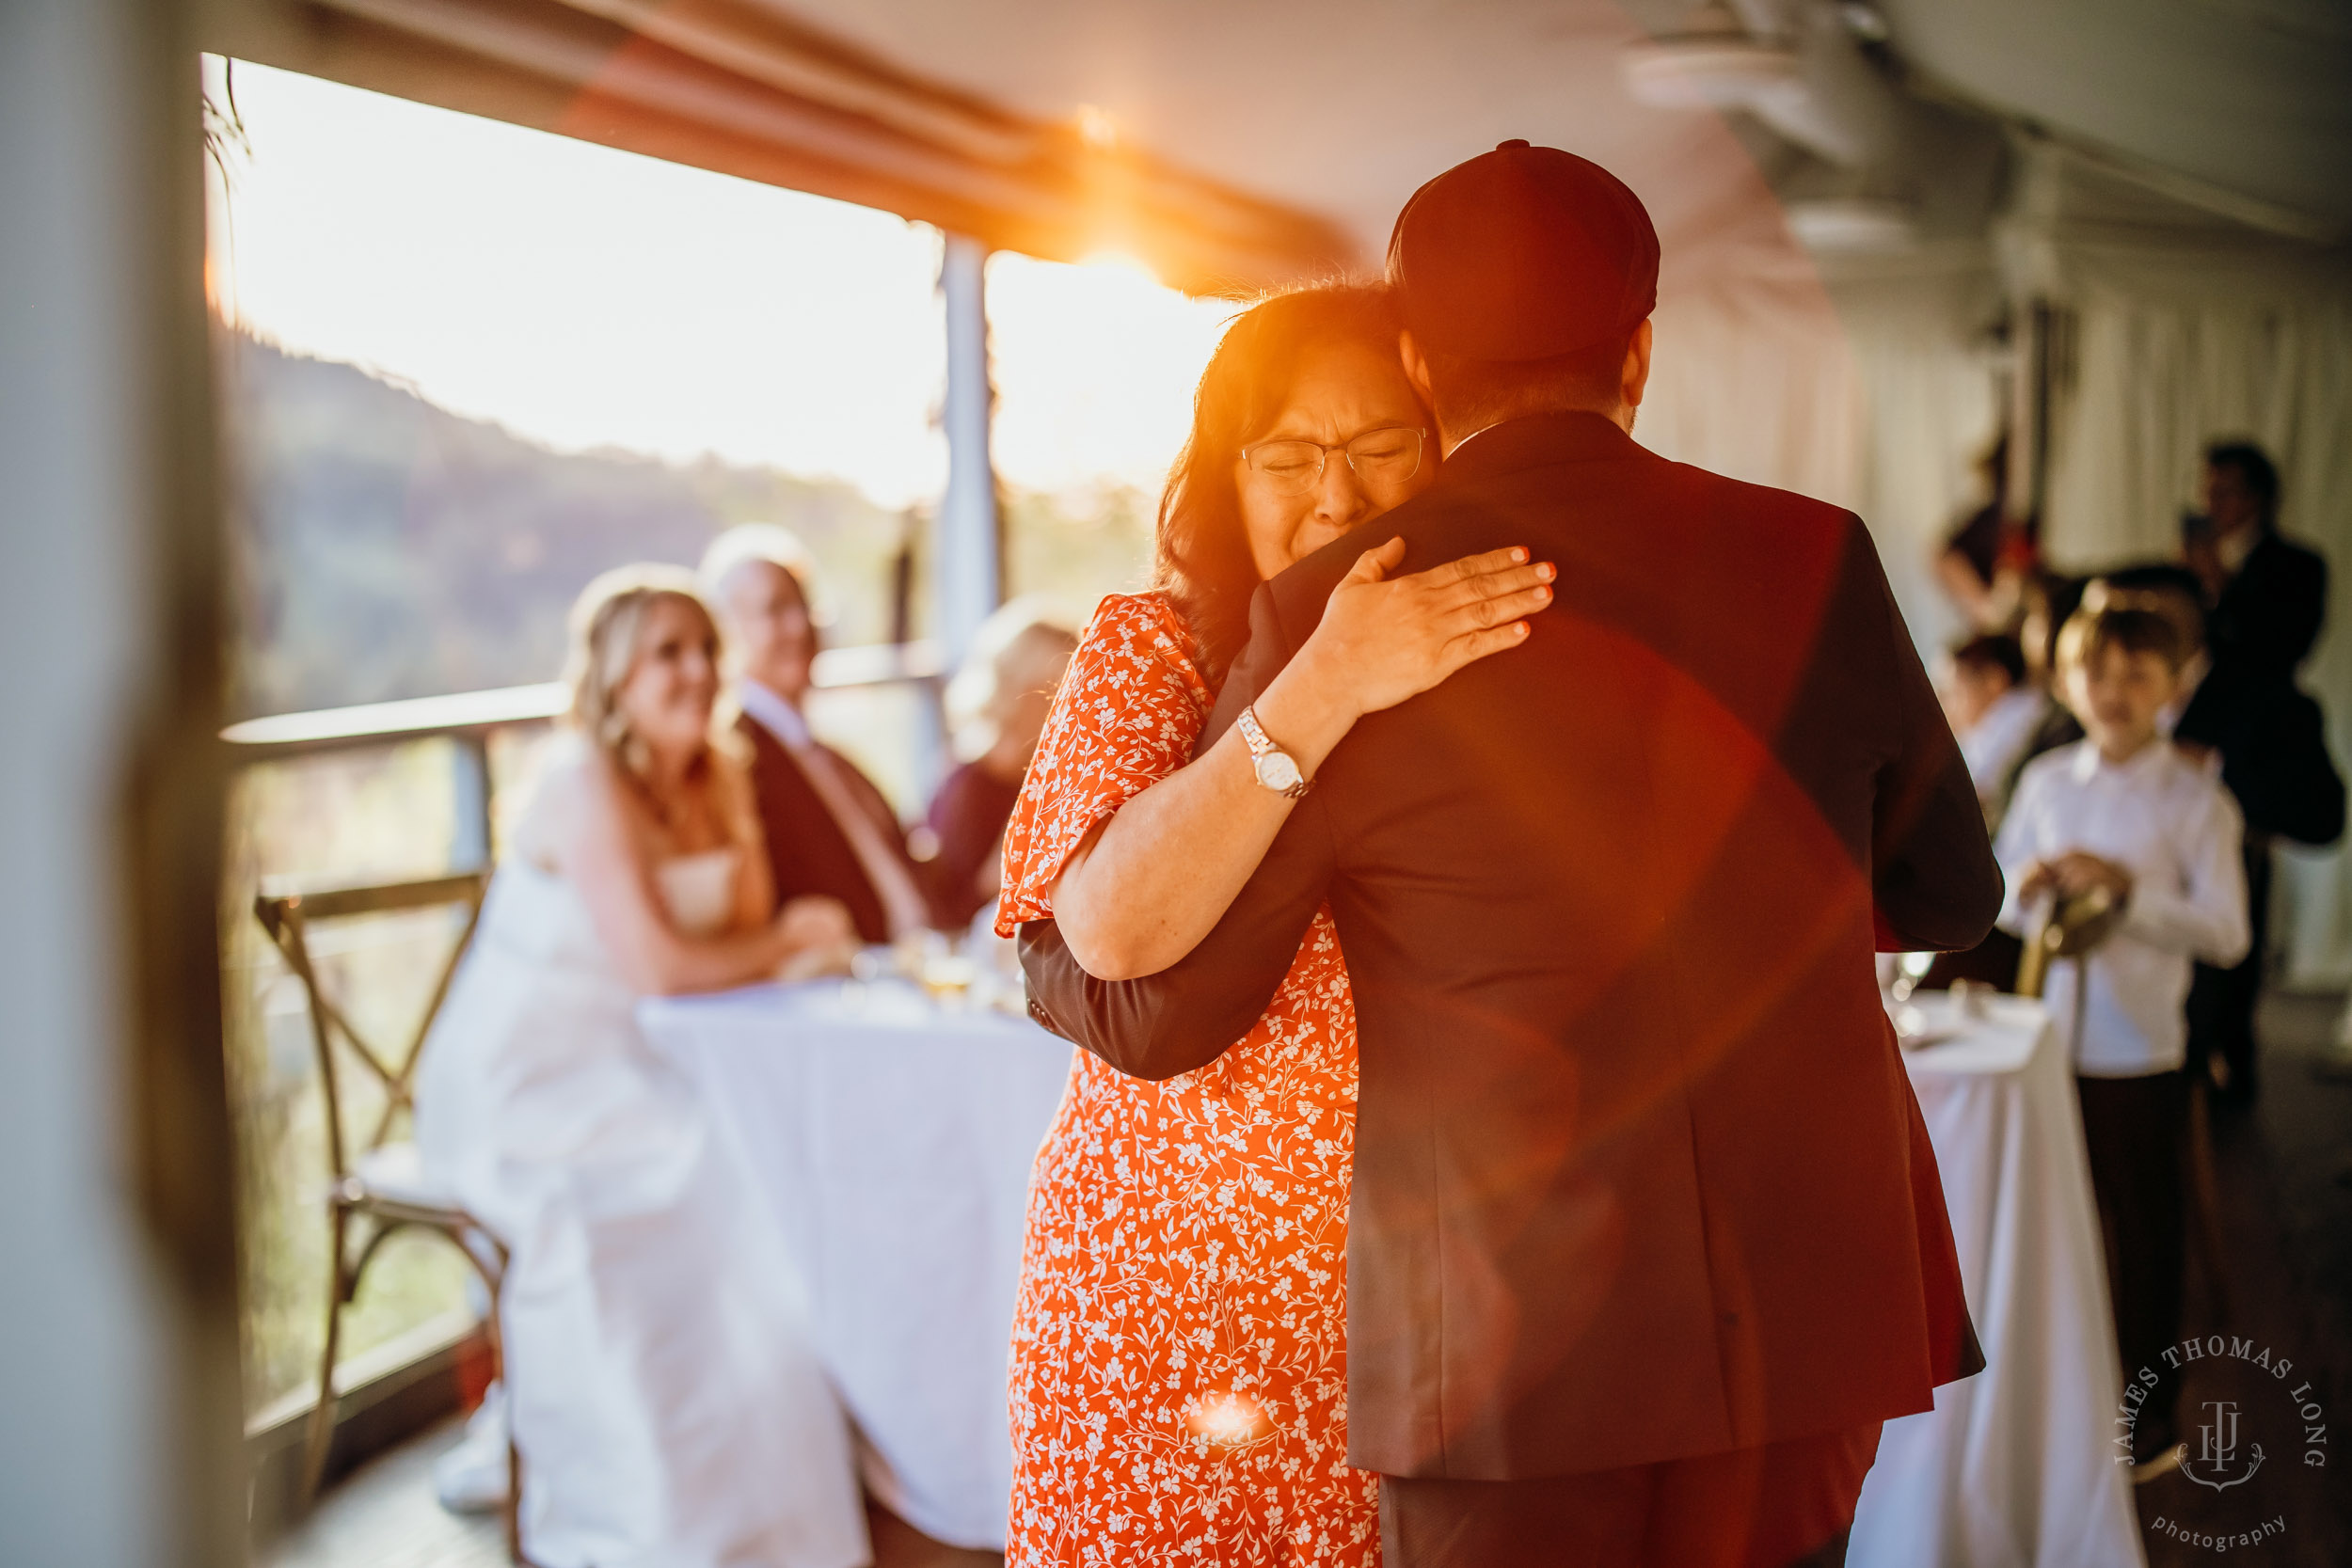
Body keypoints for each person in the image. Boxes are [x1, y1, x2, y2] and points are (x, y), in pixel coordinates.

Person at [1019, 143, 1994, 1568]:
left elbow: (1174, 992)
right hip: (1807, 1285)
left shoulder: (1353, 611)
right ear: (1642, 348)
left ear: (1419, 364)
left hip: (1512, 1323)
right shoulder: (1817, 549)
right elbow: (1949, 893)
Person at [994, 282, 1553, 1567]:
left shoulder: (1493, 654)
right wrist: (1330, 676)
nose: (1336, 499)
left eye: (1378, 449)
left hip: (1395, 1280)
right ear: (1224, 473)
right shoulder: (1151, 650)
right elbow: (1113, 925)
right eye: (1289, 457)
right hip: (1157, 1269)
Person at [413, 566, 867, 1568]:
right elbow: (665, 968)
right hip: (531, 1081)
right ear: (614, 675)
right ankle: (659, 1514)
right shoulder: (580, 780)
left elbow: (739, 930)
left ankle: (784, 1509)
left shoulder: (718, 769)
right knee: (706, 1170)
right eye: (668, 651)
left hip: (643, 1061)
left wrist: (735, 812)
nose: (698, 669)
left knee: (758, 1152)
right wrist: (794, 937)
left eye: (707, 647)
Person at [1992, 603, 2249, 1465]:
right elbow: (1995, 893)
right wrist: (2023, 884)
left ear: (2173, 686)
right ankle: (2056, 1402)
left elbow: (2228, 933)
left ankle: (2152, 1416)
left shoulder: (2198, 799)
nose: (2114, 691)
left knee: (2143, 1237)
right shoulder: (2048, 782)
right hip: (2042, 1043)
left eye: (2138, 674)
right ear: (2067, 682)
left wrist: (2127, 890)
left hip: (2137, 1049)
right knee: (2050, 1228)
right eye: (2096, 673)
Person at [2174, 442, 2343, 1104]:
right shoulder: (2189, 565)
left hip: (2258, 747)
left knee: (2241, 891)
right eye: (2209, 489)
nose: (2215, 503)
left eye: (2229, 490)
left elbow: (2281, 650)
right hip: (2197, 739)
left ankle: (2233, 1047)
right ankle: (2198, 1037)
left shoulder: (2297, 564)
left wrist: (2221, 588)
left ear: (2261, 497)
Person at [701, 525, 943, 943]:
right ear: (726, 631)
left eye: (804, 606)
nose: (799, 626)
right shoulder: (731, 757)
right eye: (774, 610)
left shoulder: (833, 760)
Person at [921, 604, 1077, 929]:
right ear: (1020, 690)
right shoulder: (971, 787)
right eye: (1055, 690)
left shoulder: (1055, 776)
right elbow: (964, 905)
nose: (1071, 708)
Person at [1942, 632, 2041, 821]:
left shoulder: (2021, 718)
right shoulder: (1983, 732)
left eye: (1956, 691)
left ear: (1994, 681)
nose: (1947, 704)